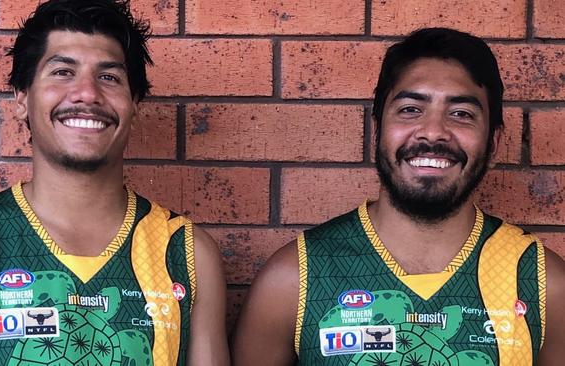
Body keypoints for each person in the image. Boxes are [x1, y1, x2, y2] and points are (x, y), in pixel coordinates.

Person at [0, 1, 229, 365]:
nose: (87, 93)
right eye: (63, 72)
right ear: (22, 98)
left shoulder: (187, 252)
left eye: (109, 77)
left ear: (134, 104)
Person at [232, 28, 565, 365]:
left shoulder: (543, 283)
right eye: (410, 109)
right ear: (377, 131)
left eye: (461, 113)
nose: (433, 131)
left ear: (493, 144)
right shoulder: (294, 277)